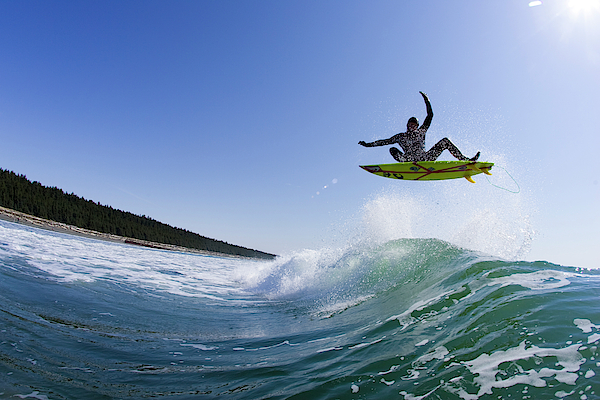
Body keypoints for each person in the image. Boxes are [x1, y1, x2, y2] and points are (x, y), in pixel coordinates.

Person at [358, 92, 480, 162]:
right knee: (392, 149)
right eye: (411, 124)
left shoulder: (421, 132)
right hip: (409, 159)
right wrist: (368, 144)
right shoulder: (400, 137)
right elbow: (384, 142)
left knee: (445, 141)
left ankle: (465, 160)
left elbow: (430, 115)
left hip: (425, 158)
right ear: (407, 125)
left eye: (415, 125)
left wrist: (427, 100)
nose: (413, 126)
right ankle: (406, 163)